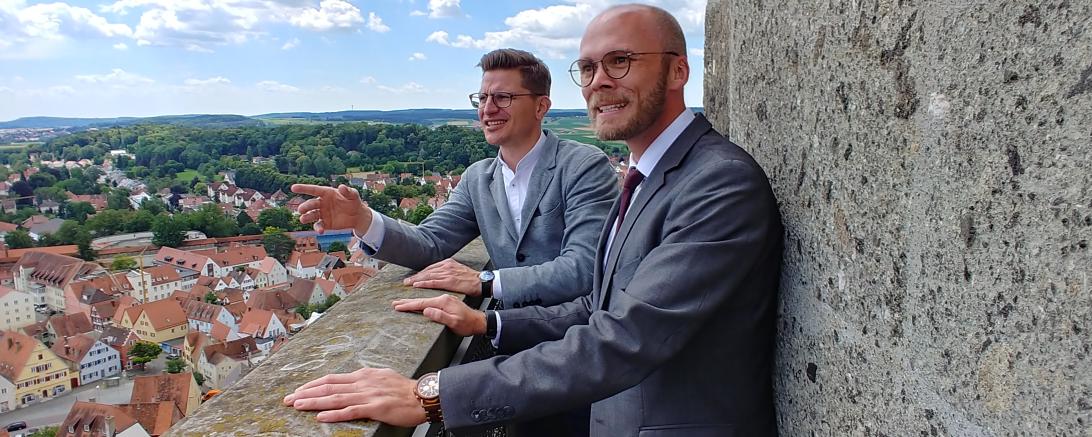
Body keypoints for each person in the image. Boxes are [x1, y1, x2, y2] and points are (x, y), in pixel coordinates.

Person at [283, 4, 784, 436]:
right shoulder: (639, 176)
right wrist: (366, 220)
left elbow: (625, 335)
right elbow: (597, 304)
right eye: (587, 68)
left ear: (679, 71)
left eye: (621, 61)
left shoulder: (717, 182)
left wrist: (431, 392)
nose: (600, 81)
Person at [291, 48, 617, 310]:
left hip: (580, 343)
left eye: (503, 97)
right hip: (510, 341)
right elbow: (430, 244)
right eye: (482, 98)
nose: (488, 109)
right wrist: (363, 219)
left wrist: (486, 281)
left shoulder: (583, 165)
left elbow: (583, 268)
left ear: (541, 106)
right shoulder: (478, 178)